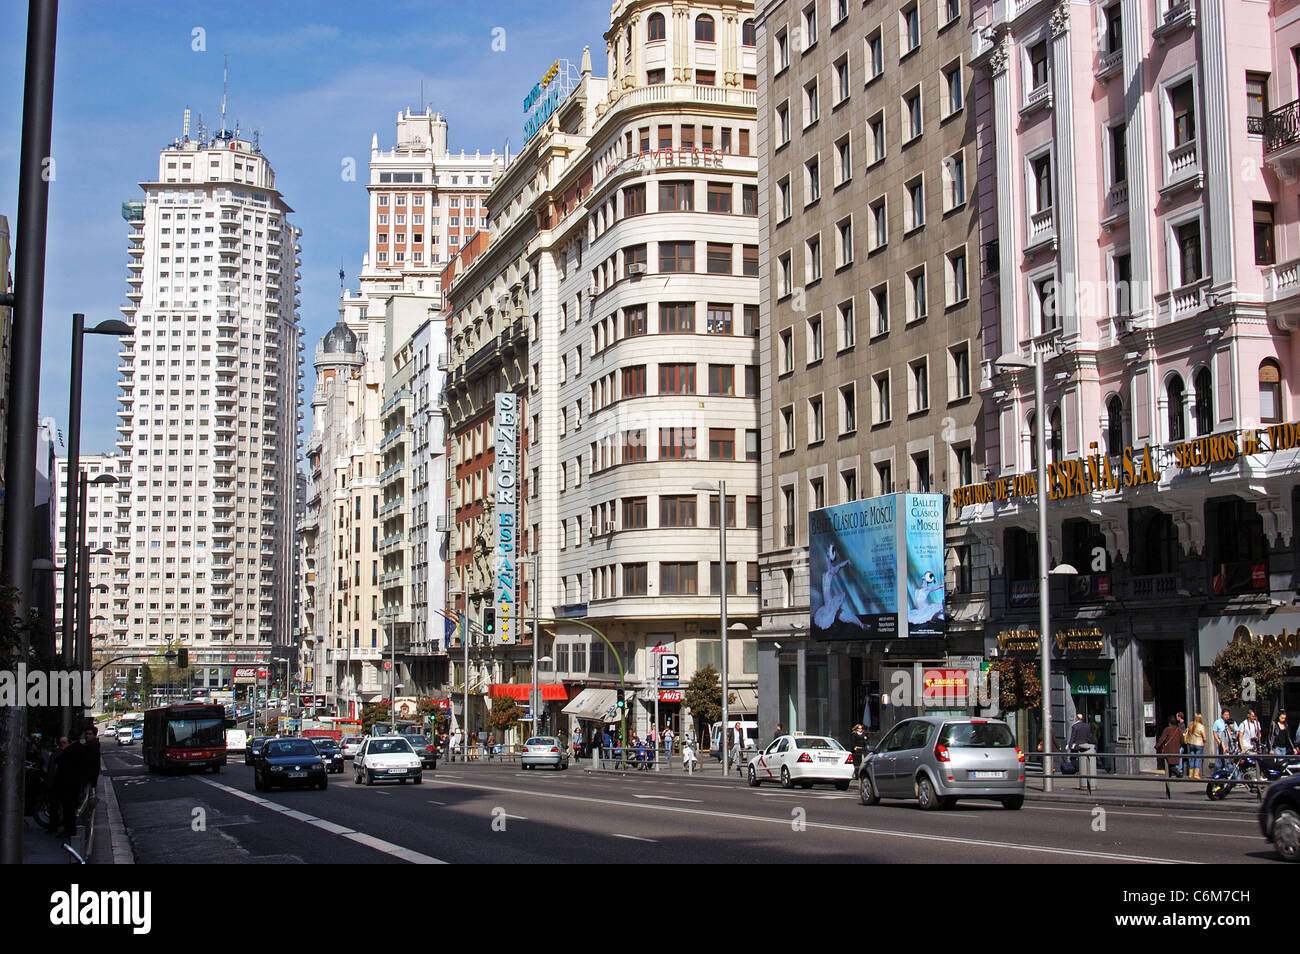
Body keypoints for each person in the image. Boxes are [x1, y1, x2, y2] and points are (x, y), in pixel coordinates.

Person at [47, 735, 85, 837]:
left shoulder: (69, 754)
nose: (62, 745)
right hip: (56, 784)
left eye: (64, 742)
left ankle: (66, 828)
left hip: (66, 786)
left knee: (67, 808)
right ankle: (54, 826)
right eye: (60, 743)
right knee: (55, 807)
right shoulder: (57, 754)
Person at [1067, 713, 1097, 791]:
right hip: (1085, 744)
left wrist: (1070, 745)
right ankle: (1083, 771)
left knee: (1073, 758)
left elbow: (1073, 736)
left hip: (1077, 745)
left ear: (1076, 718)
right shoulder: (1087, 726)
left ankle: (1078, 770)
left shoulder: (1075, 726)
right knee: (1085, 759)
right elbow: (1089, 735)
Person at [1183, 713, 1208, 780]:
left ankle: (1190, 774)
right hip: (1199, 744)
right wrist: (1205, 740)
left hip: (1191, 743)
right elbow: (1204, 737)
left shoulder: (1190, 724)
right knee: (1198, 758)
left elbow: (1187, 732)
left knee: (1192, 758)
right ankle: (1196, 774)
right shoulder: (1201, 726)